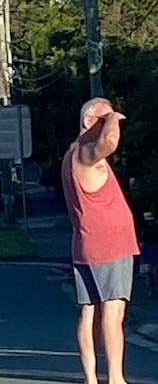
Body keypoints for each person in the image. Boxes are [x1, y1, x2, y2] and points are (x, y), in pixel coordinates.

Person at [61, 97, 139, 384]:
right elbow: (109, 144)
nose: (110, 123)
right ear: (88, 122)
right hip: (108, 245)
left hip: (87, 243)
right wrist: (113, 119)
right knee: (113, 309)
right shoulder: (85, 152)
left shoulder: (73, 155)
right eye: (102, 119)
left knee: (90, 309)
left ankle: (91, 378)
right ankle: (115, 378)